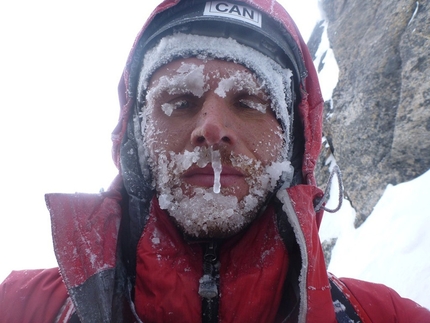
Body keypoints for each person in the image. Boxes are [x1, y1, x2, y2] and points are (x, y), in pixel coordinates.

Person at [1, 0, 429, 322]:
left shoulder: (383, 315)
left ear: (294, 145)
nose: (210, 127)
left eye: (248, 101)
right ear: (136, 140)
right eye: (179, 101)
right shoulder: (24, 307)